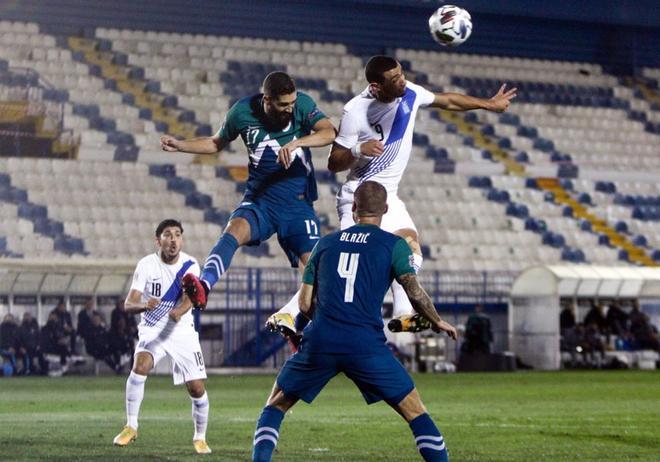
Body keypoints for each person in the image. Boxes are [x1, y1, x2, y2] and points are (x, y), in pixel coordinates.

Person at [271, 55, 516, 338]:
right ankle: (290, 312)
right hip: (359, 196)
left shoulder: (409, 92)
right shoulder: (356, 111)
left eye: (402, 74)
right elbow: (334, 162)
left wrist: (489, 104)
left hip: (388, 195)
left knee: (410, 249)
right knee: (348, 264)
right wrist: (358, 150)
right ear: (376, 87)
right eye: (395, 79)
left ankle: (403, 314)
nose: (402, 81)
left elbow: (446, 100)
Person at [251, 181, 457, 462]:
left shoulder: (326, 244)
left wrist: (319, 327)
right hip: (366, 346)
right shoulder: (394, 246)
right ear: (385, 209)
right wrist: (437, 321)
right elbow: (415, 293)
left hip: (322, 339)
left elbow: (304, 303)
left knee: (275, 405)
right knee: (415, 411)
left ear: (354, 207)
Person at [160, 71, 336, 340]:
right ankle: (204, 286)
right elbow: (216, 142)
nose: (290, 109)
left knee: (316, 274)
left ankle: (297, 327)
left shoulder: (302, 105)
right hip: (260, 201)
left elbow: (328, 131)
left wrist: (298, 141)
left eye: (291, 104)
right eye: (283, 105)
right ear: (267, 100)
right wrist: (180, 145)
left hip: (297, 206)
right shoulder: (242, 112)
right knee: (233, 231)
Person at [112, 219, 212, 454]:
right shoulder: (147, 265)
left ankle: (200, 437)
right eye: (168, 235)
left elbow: (192, 296)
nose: (173, 239)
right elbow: (128, 303)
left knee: (196, 388)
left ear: (182, 240)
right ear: (158, 240)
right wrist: (146, 304)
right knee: (141, 364)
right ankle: (131, 426)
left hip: (182, 331)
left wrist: (178, 310)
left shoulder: (190, 264)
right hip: (153, 328)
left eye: (177, 234)